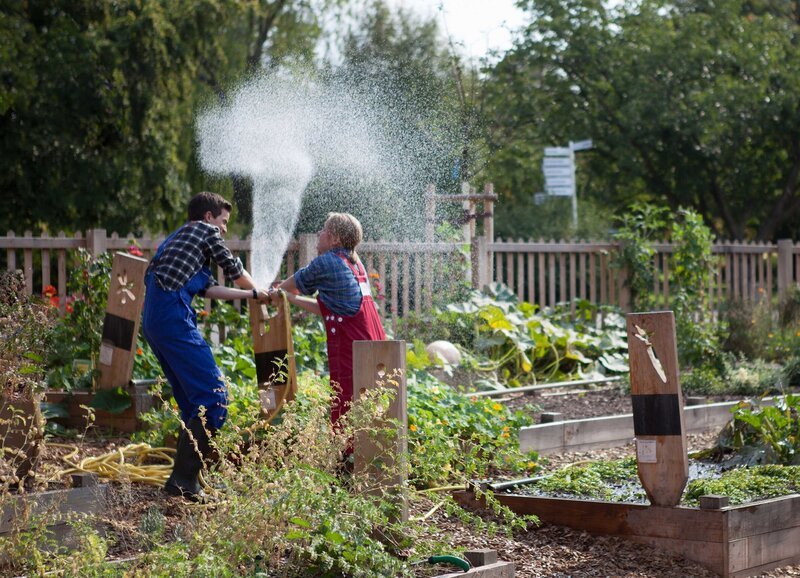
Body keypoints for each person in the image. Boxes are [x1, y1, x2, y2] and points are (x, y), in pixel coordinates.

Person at [142, 191, 269, 500]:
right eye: (223, 222)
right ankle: (183, 481)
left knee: (193, 403)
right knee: (215, 397)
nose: (224, 229)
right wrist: (260, 291)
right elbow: (233, 268)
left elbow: (210, 289)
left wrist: (251, 297)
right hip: (172, 317)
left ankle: (183, 482)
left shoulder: (182, 241)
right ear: (209, 217)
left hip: (157, 319)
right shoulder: (203, 230)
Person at [271, 212, 386, 426]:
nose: (319, 233)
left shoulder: (328, 262)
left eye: (323, 229)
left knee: (345, 409)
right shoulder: (355, 265)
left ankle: (346, 458)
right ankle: (363, 458)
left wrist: (276, 291)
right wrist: (289, 298)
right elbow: (332, 310)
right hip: (372, 347)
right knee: (371, 412)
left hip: (351, 351)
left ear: (335, 239)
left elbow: (291, 284)